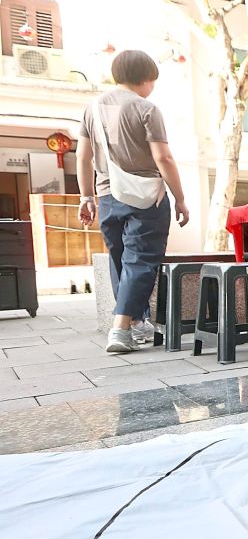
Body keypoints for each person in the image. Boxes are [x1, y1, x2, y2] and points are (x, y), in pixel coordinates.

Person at [77, 49, 190, 354]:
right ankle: (120, 329)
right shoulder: (146, 108)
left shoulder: (93, 109)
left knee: (120, 260)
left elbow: (84, 156)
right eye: (153, 80)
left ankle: (137, 322)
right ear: (146, 78)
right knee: (140, 260)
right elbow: (163, 157)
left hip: (106, 195)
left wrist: (86, 195)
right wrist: (180, 198)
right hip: (146, 197)